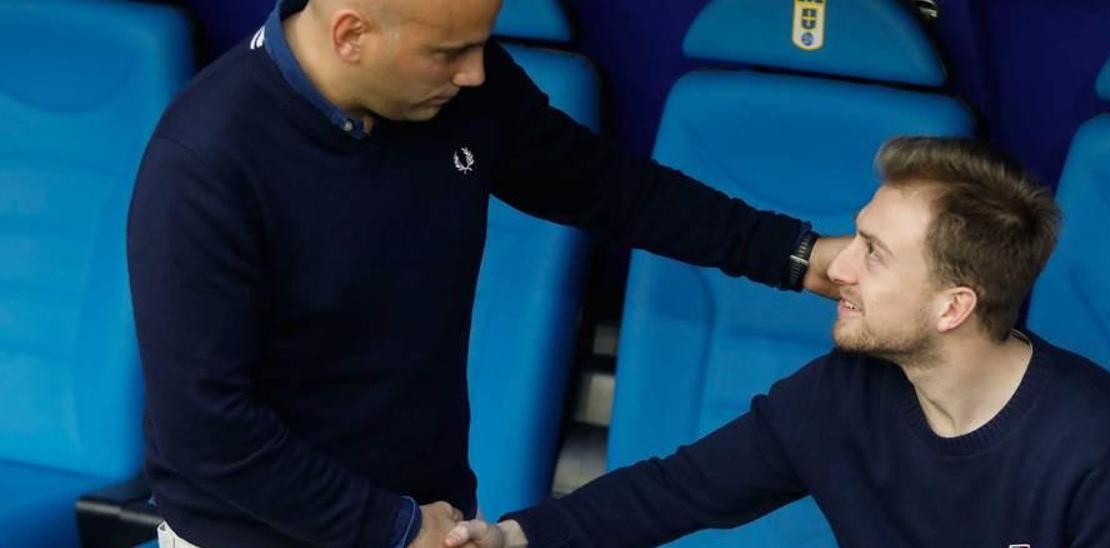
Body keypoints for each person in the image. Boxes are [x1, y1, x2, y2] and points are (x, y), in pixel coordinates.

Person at [126, 0, 847, 546]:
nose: (475, 72)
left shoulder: (462, 85)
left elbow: (609, 187)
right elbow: (208, 433)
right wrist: (393, 527)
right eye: (450, 53)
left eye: (481, 44)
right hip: (260, 535)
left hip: (428, 514)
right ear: (351, 35)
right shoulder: (205, 164)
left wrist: (798, 256)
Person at [445, 137, 1110, 548]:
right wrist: (513, 540)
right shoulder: (845, 392)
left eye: (873, 252)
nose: (839, 267)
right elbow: (675, 491)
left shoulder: (1107, 452)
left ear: (953, 306)